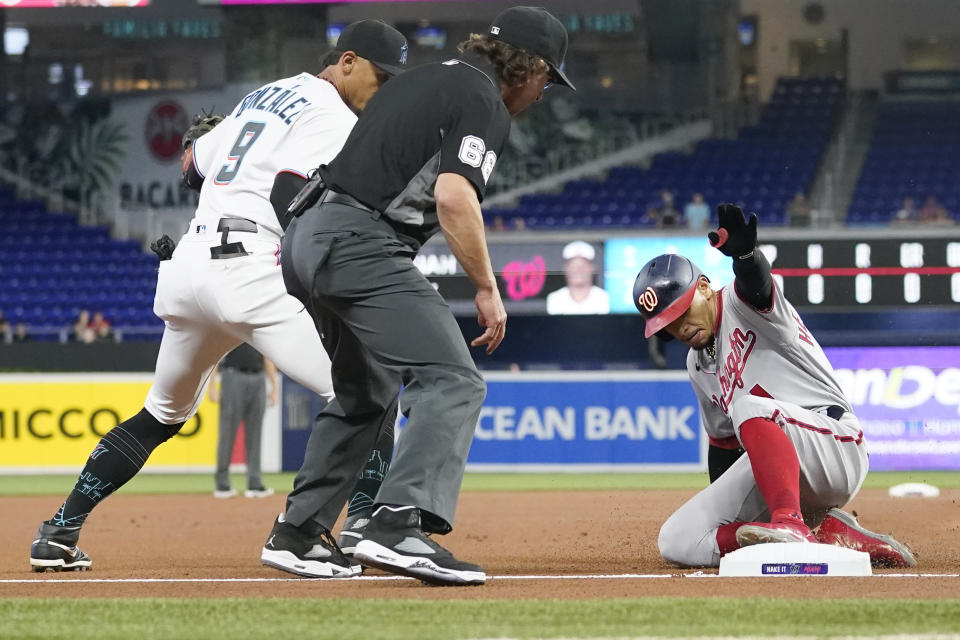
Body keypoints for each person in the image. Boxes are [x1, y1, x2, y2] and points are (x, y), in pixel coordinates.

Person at [28, 20, 409, 576]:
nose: (385, 88)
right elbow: (295, 196)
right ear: (347, 61)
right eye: (382, 75)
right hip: (249, 271)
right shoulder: (333, 115)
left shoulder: (262, 96)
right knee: (372, 392)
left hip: (188, 270)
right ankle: (358, 527)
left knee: (159, 414)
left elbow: (191, 164)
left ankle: (58, 531)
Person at [269, 5, 574, 586]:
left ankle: (298, 533)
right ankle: (394, 522)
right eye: (546, 80)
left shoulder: (415, 81)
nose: (542, 94)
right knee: (454, 381)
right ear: (527, 68)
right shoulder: (483, 100)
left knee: (366, 392)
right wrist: (487, 288)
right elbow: (455, 196)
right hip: (359, 241)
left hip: (305, 238)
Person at [632, 204, 916, 569]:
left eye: (682, 312)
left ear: (703, 287)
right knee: (676, 538)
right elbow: (723, 446)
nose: (680, 328)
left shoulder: (740, 304)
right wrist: (729, 514)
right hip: (776, 469)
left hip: (834, 448)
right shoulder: (696, 364)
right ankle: (831, 537)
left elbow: (757, 285)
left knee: (747, 405)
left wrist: (747, 256)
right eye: (668, 325)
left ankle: (790, 526)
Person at [208, 343, 278, 499]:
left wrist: (274, 385)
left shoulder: (258, 326)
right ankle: (222, 484)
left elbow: (267, 355)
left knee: (255, 432)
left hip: (259, 377)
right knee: (228, 431)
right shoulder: (231, 323)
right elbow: (216, 352)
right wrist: (212, 385)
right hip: (233, 375)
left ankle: (254, 483)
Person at [545, 240, 610, 315]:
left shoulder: (604, 298)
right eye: (573, 266)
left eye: (583, 266)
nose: (578, 270)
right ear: (565, 268)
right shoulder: (555, 299)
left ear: (592, 268)